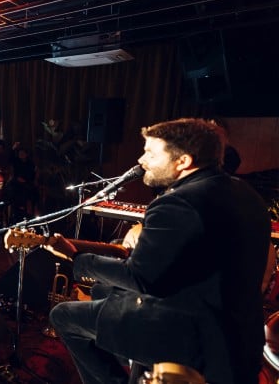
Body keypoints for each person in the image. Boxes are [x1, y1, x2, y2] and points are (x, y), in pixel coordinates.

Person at [48, 118, 270, 384]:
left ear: (183, 161)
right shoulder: (244, 193)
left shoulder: (178, 202)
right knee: (104, 293)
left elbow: (142, 279)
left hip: (187, 336)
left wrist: (77, 258)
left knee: (63, 316)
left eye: (151, 153)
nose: (142, 160)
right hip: (239, 335)